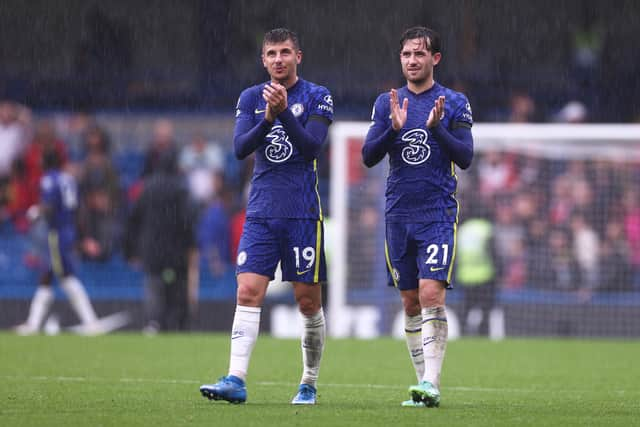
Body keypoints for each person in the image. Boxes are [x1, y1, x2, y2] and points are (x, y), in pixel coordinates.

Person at [199, 28, 334, 405]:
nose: (278, 59)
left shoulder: (318, 96)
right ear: (263, 60)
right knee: (247, 290)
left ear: (298, 57)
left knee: (308, 302)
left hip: (302, 214)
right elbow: (242, 148)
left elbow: (311, 148)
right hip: (260, 211)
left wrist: (284, 115)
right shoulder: (249, 98)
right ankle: (236, 379)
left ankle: (308, 381)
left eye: (285, 52)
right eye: (272, 53)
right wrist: (268, 117)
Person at [362, 26, 473, 408]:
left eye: (420, 54)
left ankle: (432, 382)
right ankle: (421, 384)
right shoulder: (386, 103)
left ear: (435, 59)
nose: (412, 61)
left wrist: (438, 129)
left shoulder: (454, 102)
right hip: (398, 215)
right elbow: (368, 156)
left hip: (437, 214)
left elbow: (466, 157)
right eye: (407, 54)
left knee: (430, 294)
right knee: (410, 302)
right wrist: (391, 130)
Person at [14, 150, 102, 335]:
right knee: (49, 275)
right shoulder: (69, 179)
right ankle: (34, 323)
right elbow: (79, 208)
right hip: (68, 230)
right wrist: (82, 235)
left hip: (56, 233)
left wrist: (36, 212)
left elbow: (50, 205)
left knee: (63, 276)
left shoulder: (49, 179)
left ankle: (91, 322)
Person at [124, 150, 199, 333]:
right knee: (177, 289)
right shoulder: (181, 189)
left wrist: (130, 250)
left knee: (154, 286)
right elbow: (187, 221)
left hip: (152, 250)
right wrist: (191, 245)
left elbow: (133, 220)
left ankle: (153, 322)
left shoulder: (147, 188)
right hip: (176, 251)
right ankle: (178, 324)